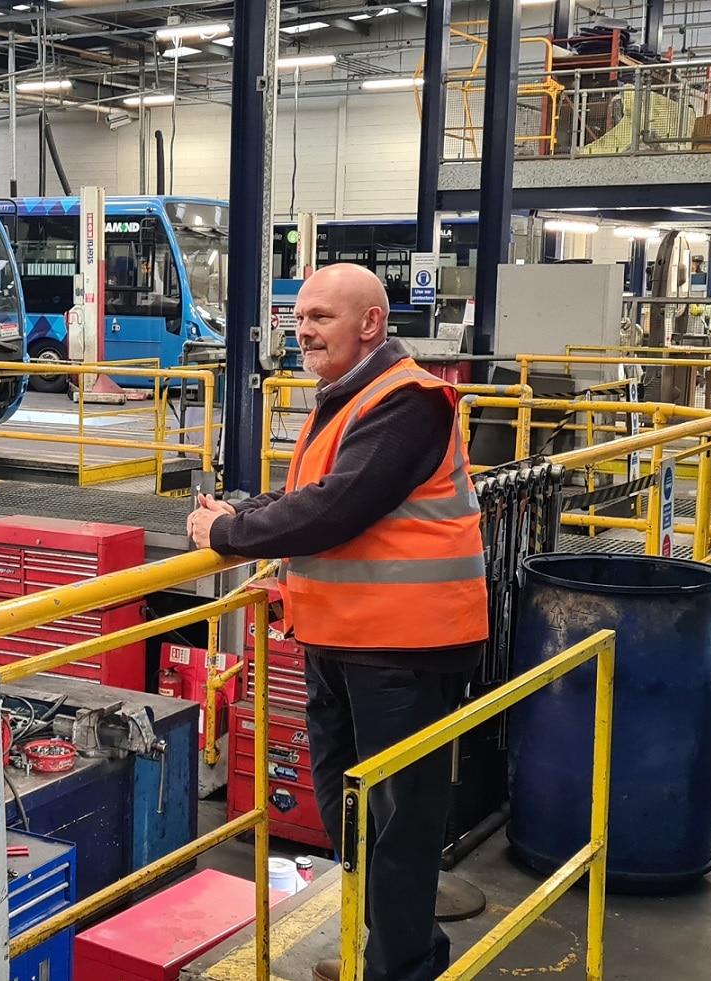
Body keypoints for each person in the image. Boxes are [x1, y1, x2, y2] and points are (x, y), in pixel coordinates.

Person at [187, 263, 488, 981]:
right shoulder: (346, 397)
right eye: (299, 317)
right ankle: (374, 952)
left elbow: (338, 509)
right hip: (339, 640)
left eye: (320, 315)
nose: (303, 328)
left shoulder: (408, 400)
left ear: (371, 324)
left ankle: (402, 967)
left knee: (398, 826)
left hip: (406, 649)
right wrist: (239, 513)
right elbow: (313, 493)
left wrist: (229, 534)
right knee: (351, 816)